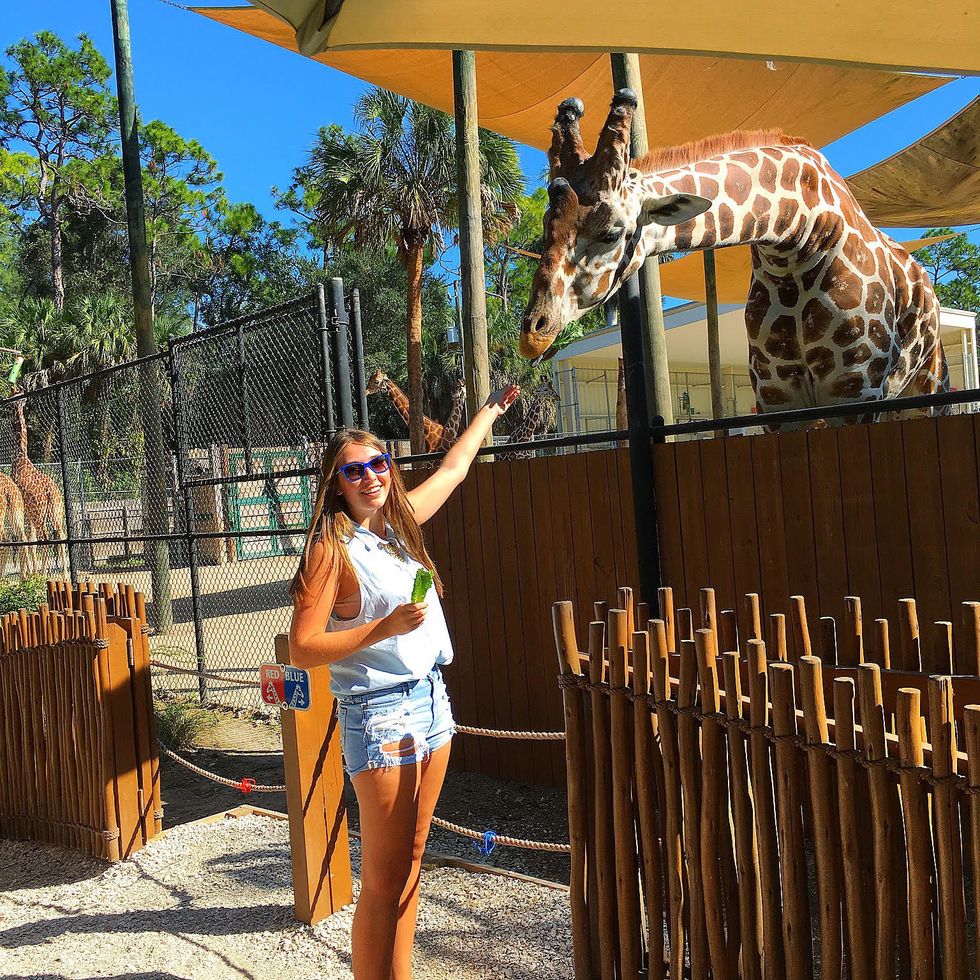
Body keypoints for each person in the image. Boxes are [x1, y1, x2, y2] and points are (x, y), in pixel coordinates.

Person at [288, 383, 520, 980]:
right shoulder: (329, 549)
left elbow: (453, 470)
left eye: (378, 463)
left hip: (431, 702)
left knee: (412, 864)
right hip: (381, 713)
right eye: (354, 470)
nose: (371, 477)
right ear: (335, 484)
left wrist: (488, 413)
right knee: (386, 874)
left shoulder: (394, 529)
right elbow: (303, 649)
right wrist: (382, 627)